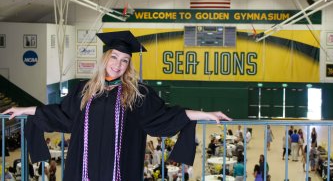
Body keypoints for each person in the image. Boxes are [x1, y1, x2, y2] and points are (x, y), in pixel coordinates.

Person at [2, 30, 232, 181]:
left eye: (124, 60)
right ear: (105, 58)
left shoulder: (136, 93)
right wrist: (25, 110)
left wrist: (204, 114)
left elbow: (163, 116)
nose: (118, 64)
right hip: (84, 170)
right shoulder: (84, 90)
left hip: (120, 171)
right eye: (114, 57)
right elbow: (61, 114)